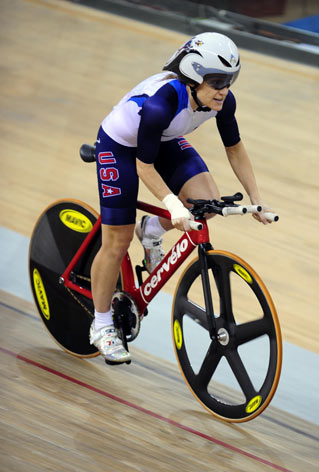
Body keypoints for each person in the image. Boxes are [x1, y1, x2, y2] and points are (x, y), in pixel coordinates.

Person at [89, 31, 274, 363]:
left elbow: (235, 149)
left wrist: (257, 199)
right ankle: (101, 324)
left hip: (162, 139)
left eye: (231, 80)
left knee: (207, 203)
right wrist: (172, 204)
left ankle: (152, 230)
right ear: (193, 76)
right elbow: (144, 168)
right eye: (217, 81)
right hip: (120, 145)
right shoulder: (162, 104)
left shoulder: (222, 101)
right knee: (116, 242)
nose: (225, 90)